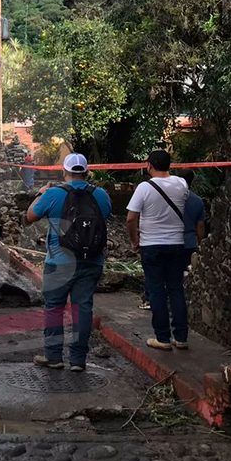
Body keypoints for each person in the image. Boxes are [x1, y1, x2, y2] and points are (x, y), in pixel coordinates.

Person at [25, 153, 112, 372]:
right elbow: (106, 217)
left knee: (54, 308)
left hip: (59, 261)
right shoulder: (100, 195)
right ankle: (78, 361)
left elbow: (29, 217)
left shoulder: (53, 194)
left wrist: (39, 194)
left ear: (64, 172)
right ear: (87, 172)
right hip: (91, 261)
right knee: (82, 309)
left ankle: (54, 357)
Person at [127, 150, 193, 351]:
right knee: (175, 289)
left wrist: (134, 240)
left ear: (149, 165)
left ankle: (163, 338)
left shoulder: (144, 187)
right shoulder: (182, 184)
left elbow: (131, 218)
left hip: (151, 245)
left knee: (156, 290)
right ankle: (181, 338)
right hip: (176, 244)